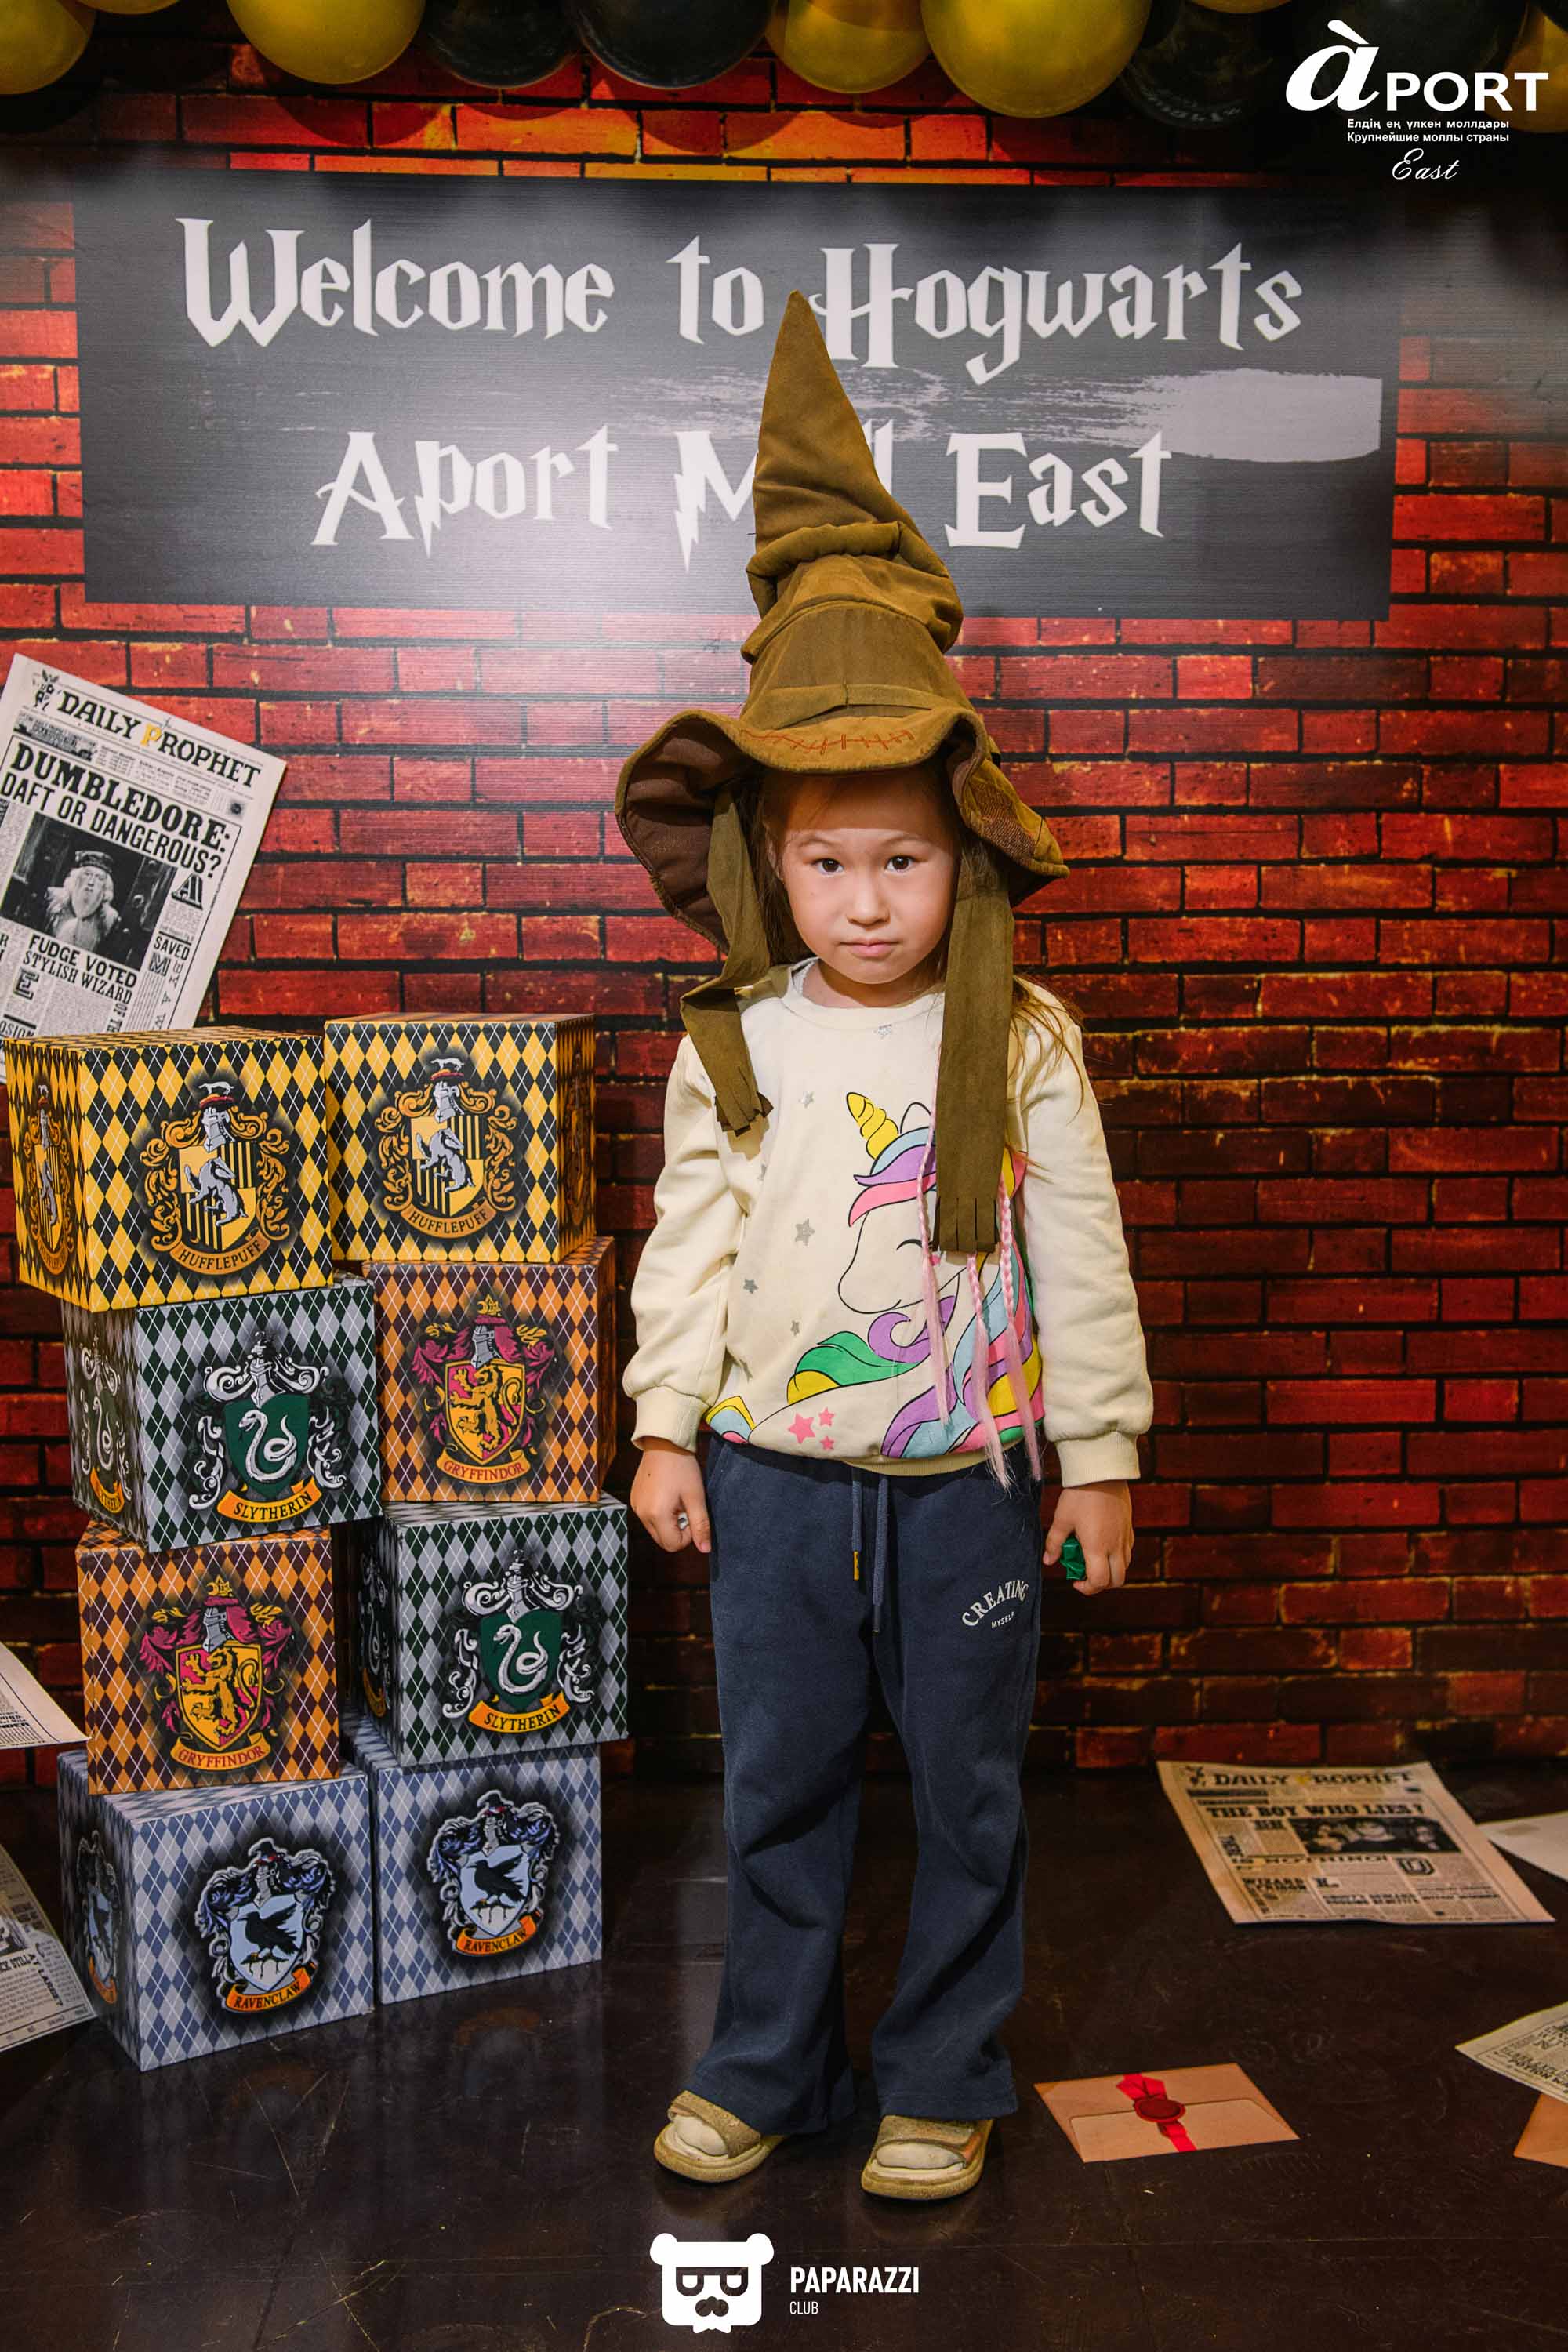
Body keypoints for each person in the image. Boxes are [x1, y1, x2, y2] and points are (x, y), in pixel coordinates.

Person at [615, 293, 1153, 2202]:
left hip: (966, 1485)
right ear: (766, 857)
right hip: (772, 1476)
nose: (864, 901)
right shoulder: (735, 1036)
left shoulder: (1020, 1039)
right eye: (825, 860)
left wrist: (1098, 1454)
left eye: (902, 859)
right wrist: (663, 1424)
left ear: (964, 852)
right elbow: (688, 1239)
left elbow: (1078, 1247)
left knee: (968, 1787)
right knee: (778, 1786)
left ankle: (941, 2068)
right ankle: (766, 2059)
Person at [44, 845, 118, 951]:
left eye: (100, 878)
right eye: (87, 874)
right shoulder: (54, 899)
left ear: (105, 887)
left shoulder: (109, 918)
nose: (91, 882)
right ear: (76, 877)